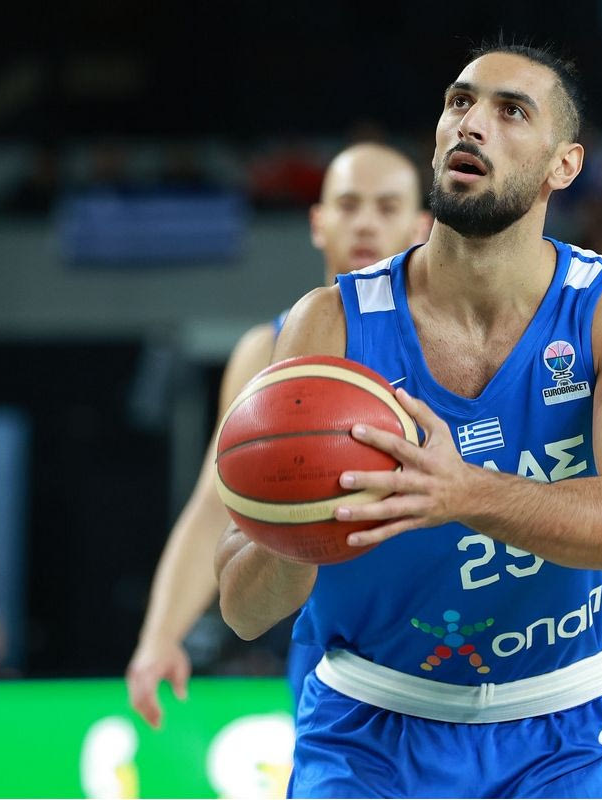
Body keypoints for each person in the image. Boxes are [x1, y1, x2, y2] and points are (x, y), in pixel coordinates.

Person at [215, 43, 602, 798]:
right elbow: (243, 610)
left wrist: (462, 492)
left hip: (564, 728)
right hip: (369, 727)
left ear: (563, 166)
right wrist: (303, 526)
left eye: (511, 111)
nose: (472, 124)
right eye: (460, 102)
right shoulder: (330, 323)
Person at [126, 142, 430, 729]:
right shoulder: (265, 350)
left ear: (422, 228)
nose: (366, 222)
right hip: (336, 655)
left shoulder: (449, 344)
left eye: (387, 207)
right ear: (318, 222)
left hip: (446, 639)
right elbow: (216, 507)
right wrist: (160, 636)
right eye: (348, 205)